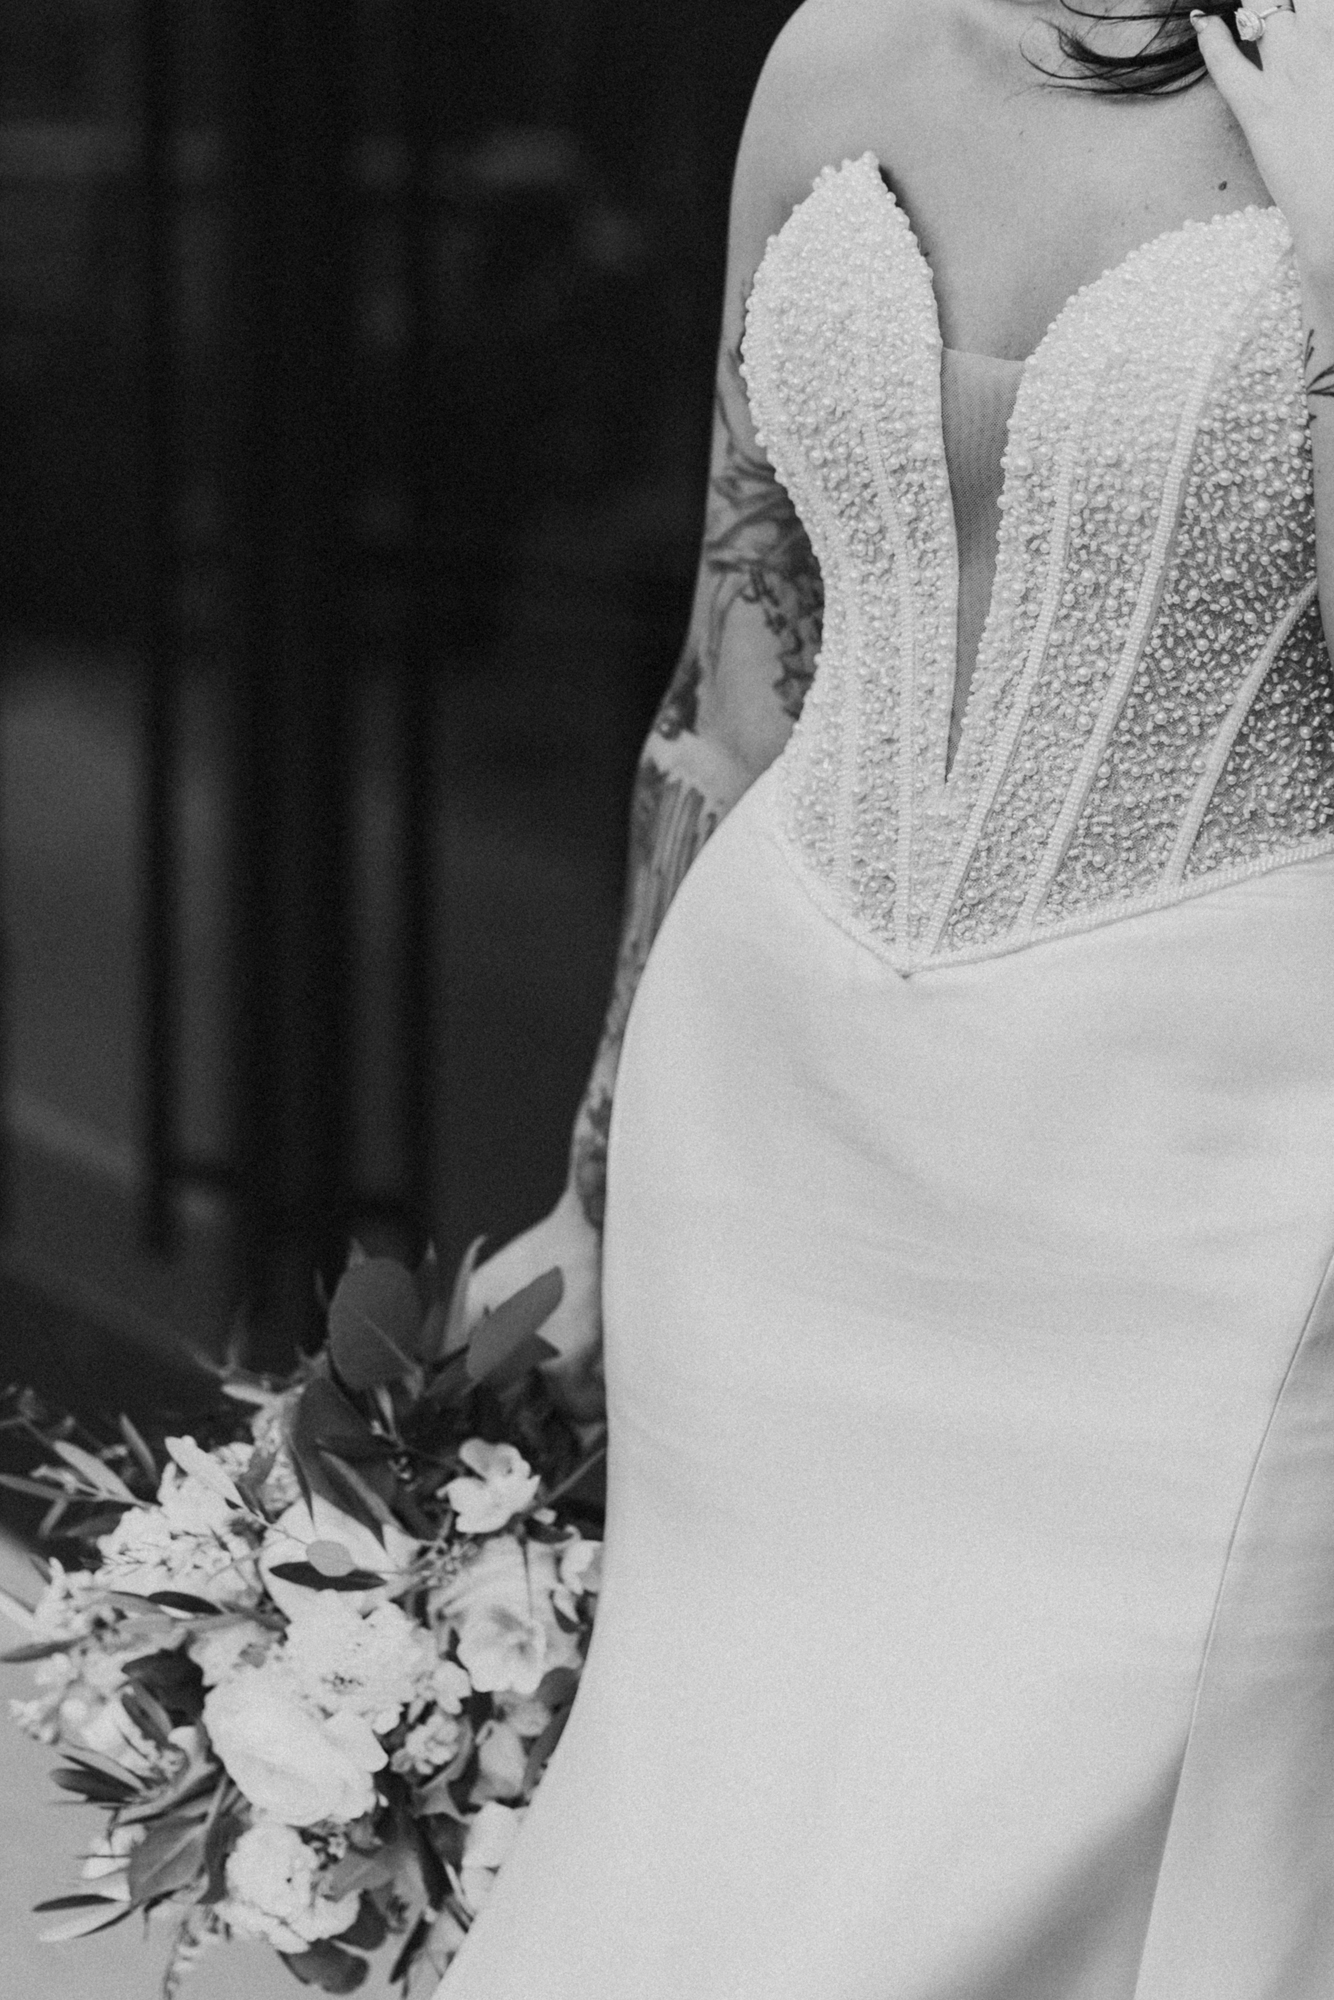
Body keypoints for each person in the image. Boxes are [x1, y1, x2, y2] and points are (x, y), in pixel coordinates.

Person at [444, 0, 1334, 1991]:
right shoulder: (840, 53)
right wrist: (594, 1184)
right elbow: (734, 667)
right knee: (728, 1852)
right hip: (772, 1150)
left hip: (1210, 1186)